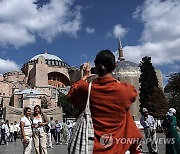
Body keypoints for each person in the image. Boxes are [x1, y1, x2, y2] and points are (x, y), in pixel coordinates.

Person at [68, 49, 143, 153]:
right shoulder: (126, 90)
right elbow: (132, 96)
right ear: (114, 66)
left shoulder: (86, 89)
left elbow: (71, 93)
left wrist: (84, 76)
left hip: (92, 148)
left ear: (97, 68)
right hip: (117, 148)